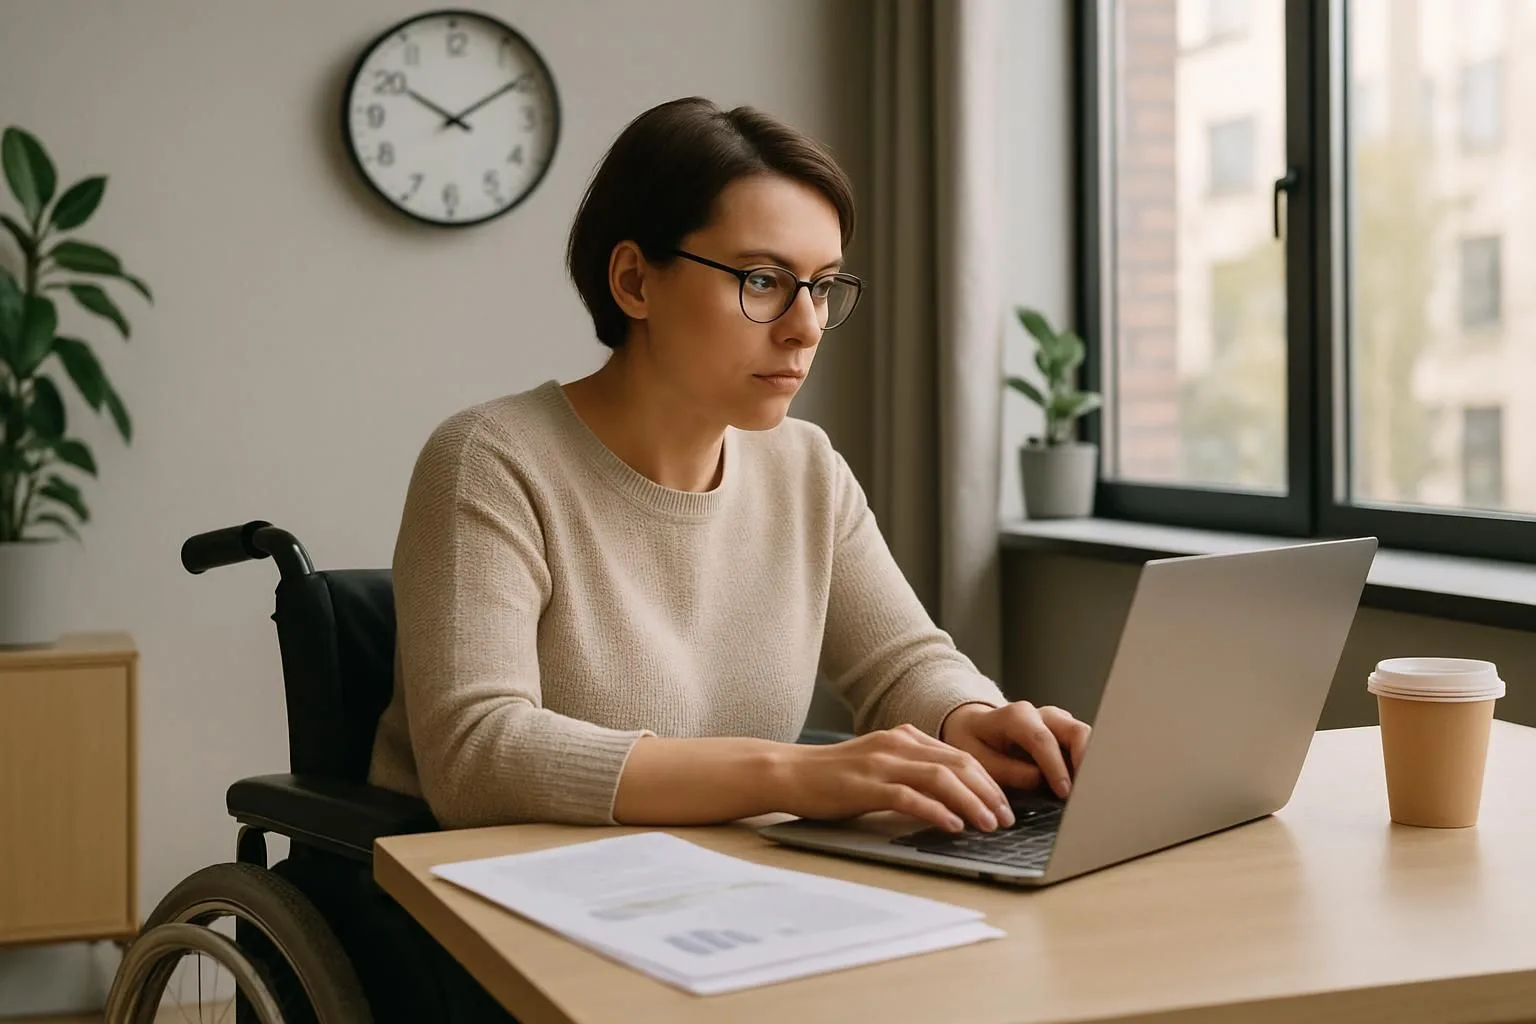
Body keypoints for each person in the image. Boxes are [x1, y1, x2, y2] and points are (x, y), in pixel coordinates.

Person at [368, 96, 1091, 836]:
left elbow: (902, 665)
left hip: (730, 889)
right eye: (762, 281)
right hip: (495, 904)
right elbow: (476, 757)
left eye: (822, 285)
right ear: (635, 282)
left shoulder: (805, 468)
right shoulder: (490, 460)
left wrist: (971, 720)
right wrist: (794, 774)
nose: (805, 327)